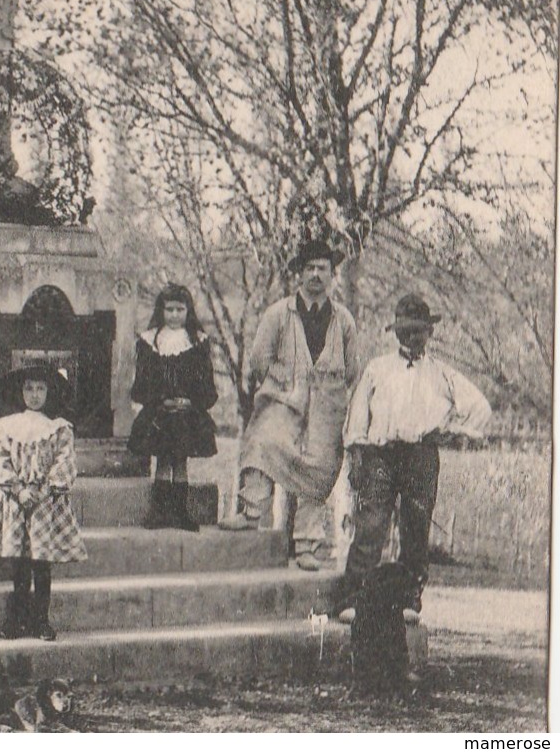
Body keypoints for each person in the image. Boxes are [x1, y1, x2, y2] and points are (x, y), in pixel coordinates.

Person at [331, 294, 491, 621]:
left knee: (415, 529)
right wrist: (358, 452)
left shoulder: (442, 374)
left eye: (418, 330)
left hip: (420, 457)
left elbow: (480, 408)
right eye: (404, 330)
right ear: (396, 333)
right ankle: (352, 599)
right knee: (371, 525)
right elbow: (358, 414)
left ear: (429, 332)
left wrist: (448, 431)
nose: (411, 337)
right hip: (381, 457)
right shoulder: (378, 369)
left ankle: (408, 600)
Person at [218, 238, 361, 572]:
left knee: (320, 466)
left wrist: (327, 390)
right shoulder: (279, 314)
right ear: (299, 273)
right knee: (263, 441)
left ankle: (307, 544)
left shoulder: (343, 320)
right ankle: (252, 511)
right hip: (284, 400)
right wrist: (284, 384)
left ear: (332, 275)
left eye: (322, 269)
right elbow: (257, 360)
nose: (315, 275)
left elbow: (353, 369)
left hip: (326, 407)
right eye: (309, 268)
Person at [0, 363, 88, 641]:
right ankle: (17, 620)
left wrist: (46, 490)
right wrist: (17, 488)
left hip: (45, 504)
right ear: (21, 391)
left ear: (50, 392)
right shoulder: (9, 425)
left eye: (41, 389)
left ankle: (41, 620)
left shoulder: (60, 428)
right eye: (29, 388)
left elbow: (65, 463)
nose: (35, 395)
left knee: (41, 564)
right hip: (17, 502)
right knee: (19, 564)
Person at [126, 283, 219, 532]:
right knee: (163, 462)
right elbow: (143, 382)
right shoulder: (150, 342)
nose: (175, 315)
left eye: (180, 309)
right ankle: (160, 512)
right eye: (170, 310)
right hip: (160, 413)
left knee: (180, 462)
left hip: (187, 413)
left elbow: (206, 382)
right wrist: (160, 400)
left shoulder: (197, 343)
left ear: (188, 311)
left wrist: (191, 401)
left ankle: (181, 512)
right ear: (161, 310)